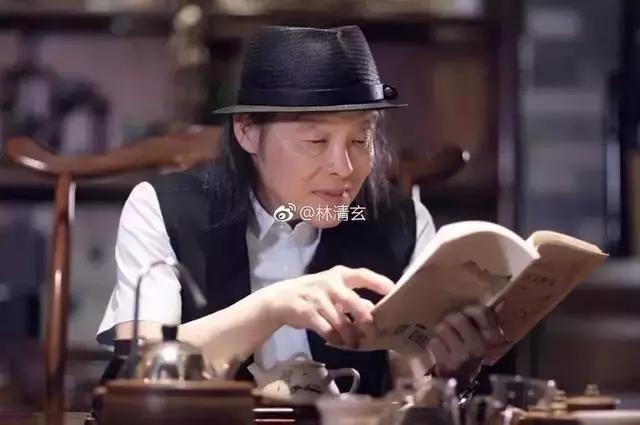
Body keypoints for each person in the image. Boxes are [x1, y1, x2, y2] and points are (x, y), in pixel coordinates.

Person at [97, 25, 504, 396]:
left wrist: (453, 370)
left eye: (360, 141)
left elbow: (412, 388)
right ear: (247, 131)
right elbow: (139, 369)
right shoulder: (163, 208)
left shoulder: (403, 223)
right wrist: (272, 307)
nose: (344, 168)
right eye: (315, 142)